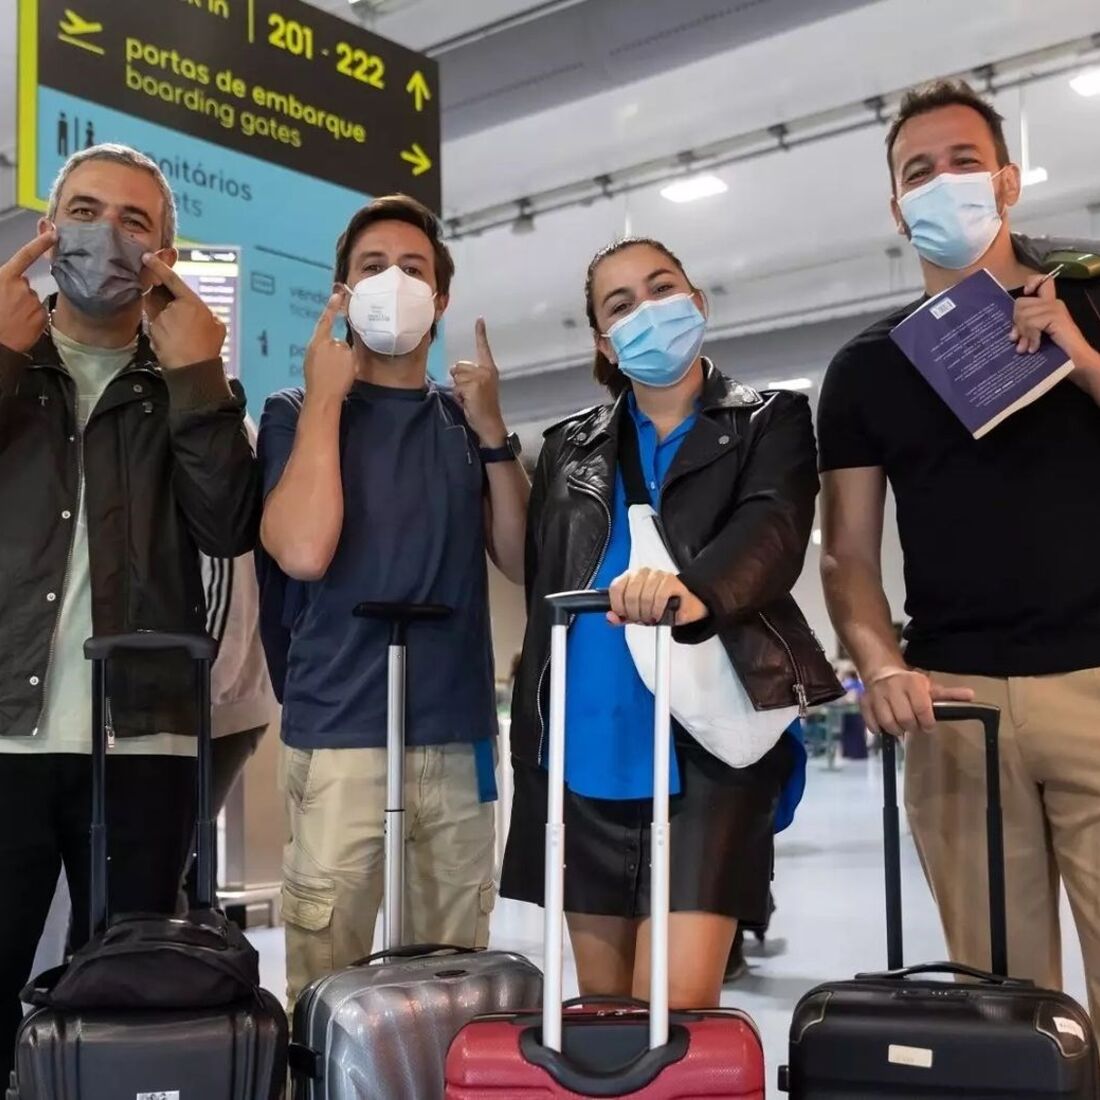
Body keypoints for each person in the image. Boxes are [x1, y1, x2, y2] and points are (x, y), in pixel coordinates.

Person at [818, 80, 1100, 1031]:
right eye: (918, 172)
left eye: (965, 163)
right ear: (897, 205)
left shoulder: (1093, 298)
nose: (944, 184)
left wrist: (1079, 351)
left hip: (1096, 683)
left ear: (1009, 181)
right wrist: (877, 660)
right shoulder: (865, 367)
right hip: (955, 707)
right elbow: (847, 552)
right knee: (1002, 1010)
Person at [500, 237, 840, 1008]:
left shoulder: (769, 421)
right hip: (583, 743)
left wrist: (694, 591)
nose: (647, 311)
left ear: (698, 300)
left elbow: (774, 527)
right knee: (603, 1015)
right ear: (603, 343)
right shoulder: (566, 448)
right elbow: (541, 579)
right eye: (621, 305)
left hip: (705, 742)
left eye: (662, 288)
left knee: (678, 1011)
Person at [0, 143, 259, 1079]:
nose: (104, 233)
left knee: (133, 1010)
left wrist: (199, 379)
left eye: (135, 220)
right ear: (46, 230)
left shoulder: (181, 378)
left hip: (143, 740)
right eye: (84, 209)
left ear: (165, 256)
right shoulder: (13, 363)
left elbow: (228, 525)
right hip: (5, 735)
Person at [258, 194, 530, 1011]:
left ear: (440, 300)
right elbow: (303, 550)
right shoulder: (295, 414)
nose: (394, 282)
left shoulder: (461, 423)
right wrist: (329, 399)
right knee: (327, 976)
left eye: (414, 270)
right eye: (372, 268)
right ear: (340, 294)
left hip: (456, 734)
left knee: (455, 979)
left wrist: (493, 430)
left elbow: (520, 558)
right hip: (340, 730)